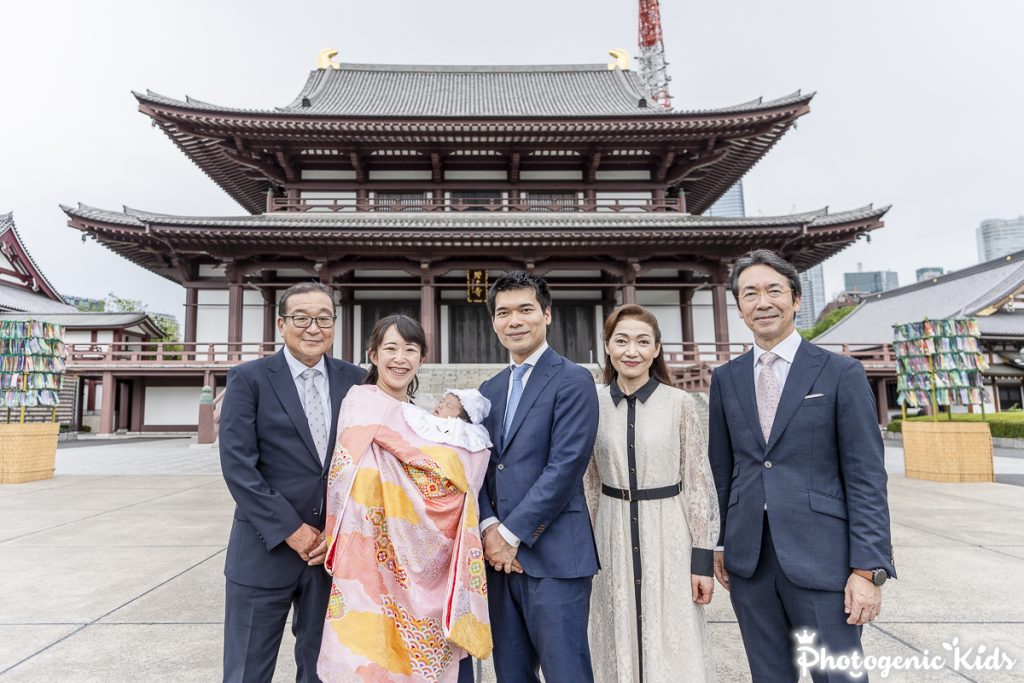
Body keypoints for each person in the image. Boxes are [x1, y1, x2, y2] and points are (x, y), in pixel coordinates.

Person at [707, 250, 896, 682]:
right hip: (750, 561)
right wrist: (718, 542)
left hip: (824, 559)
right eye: (750, 293)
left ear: (795, 299)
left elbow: (867, 477)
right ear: (739, 307)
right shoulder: (727, 378)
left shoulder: (840, 372)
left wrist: (868, 569)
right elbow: (722, 469)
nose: (763, 302)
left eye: (774, 290)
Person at [318, 315, 489, 683]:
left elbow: (455, 475)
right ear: (373, 355)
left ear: (422, 359)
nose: (400, 358)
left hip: (424, 556)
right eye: (390, 348)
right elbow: (343, 475)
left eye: (410, 349)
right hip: (366, 551)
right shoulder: (360, 402)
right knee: (365, 650)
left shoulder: (423, 419)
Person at [219, 282, 365, 683]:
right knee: (247, 671)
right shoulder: (249, 379)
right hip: (264, 551)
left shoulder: (355, 380)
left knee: (324, 671)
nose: (313, 327)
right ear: (281, 324)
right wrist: (293, 531)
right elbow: (239, 469)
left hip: (331, 558)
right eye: (301, 318)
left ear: (334, 325)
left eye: (324, 318)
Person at [477, 271, 600, 683]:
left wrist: (509, 535)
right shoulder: (488, 390)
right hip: (498, 562)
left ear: (546, 314)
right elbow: (478, 468)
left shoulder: (573, 379)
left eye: (526, 309)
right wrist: (489, 526)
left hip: (554, 557)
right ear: (493, 322)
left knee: (566, 672)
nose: (514, 320)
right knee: (510, 674)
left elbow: (565, 467)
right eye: (503, 312)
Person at [586, 304, 719, 683]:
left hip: (669, 531)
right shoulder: (592, 403)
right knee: (615, 625)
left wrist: (701, 560)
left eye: (643, 341)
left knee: (671, 631)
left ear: (657, 349)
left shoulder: (680, 404)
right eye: (622, 340)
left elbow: (697, 484)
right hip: (610, 532)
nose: (632, 350)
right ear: (607, 347)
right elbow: (590, 483)